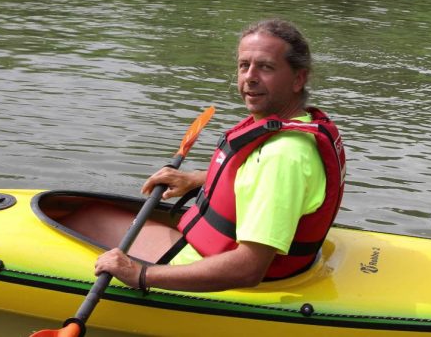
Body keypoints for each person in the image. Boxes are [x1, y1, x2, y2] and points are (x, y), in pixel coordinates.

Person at [68, 19, 345, 292]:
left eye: (266, 67)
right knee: (85, 211)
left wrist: (140, 274)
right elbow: (255, 182)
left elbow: (248, 268)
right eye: (243, 65)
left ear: (298, 78)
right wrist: (197, 179)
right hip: (210, 251)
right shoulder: (293, 127)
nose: (250, 76)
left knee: (84, 216)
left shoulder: (283, 157)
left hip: (211, 268)